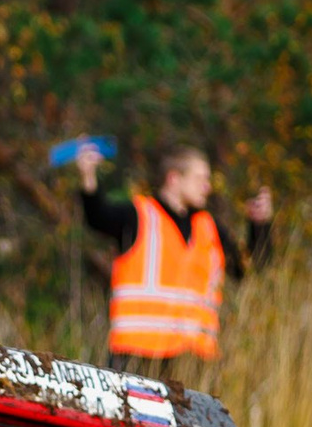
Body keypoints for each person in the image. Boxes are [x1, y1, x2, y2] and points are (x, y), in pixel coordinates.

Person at [76, 143, 273, 369]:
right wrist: (88, 177)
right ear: (174, 178)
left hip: (193, 363)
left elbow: (247, 268)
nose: (207, 187)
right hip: (138, 358)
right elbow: (98, 217)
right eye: (200, 179)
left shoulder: (209, 228)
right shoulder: (138, 215)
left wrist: (259, 226)